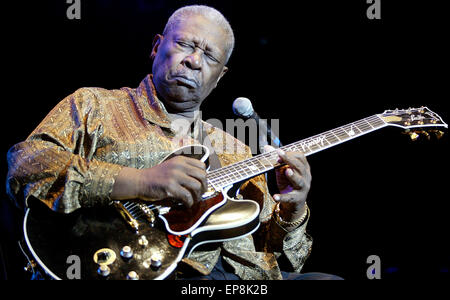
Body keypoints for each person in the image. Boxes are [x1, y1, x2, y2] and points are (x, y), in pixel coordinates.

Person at [6, 5, 341, 280]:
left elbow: (282, 257)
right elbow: (27, 165)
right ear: (156, 46)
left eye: (209, 56)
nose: (194, 61)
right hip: (138, 268)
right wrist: (140, 181)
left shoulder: (235, 149)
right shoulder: (95, 105)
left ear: (220, 75)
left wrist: (293, 206)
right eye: (186, 45)